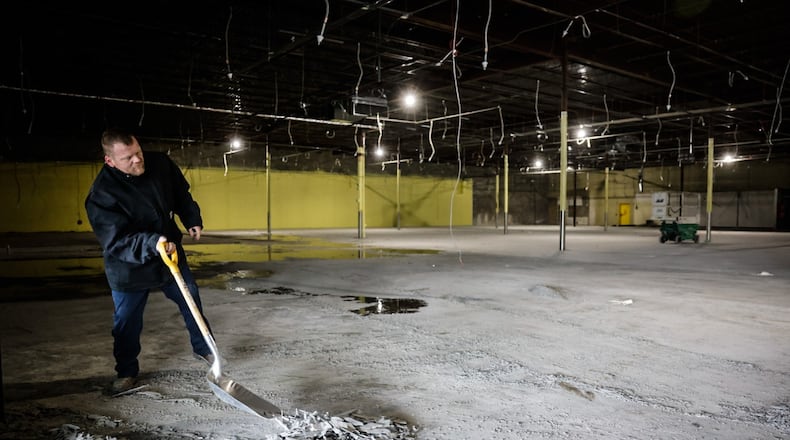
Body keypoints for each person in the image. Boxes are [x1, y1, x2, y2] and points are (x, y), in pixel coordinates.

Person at [85, 128, 214, 394]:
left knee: (191, 299)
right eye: (127, 158)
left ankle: (206, 350)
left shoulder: (160, 163)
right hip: (128, 265)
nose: (137, 160)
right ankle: (126, 371)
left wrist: (191, 218)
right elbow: (116, 241)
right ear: (110, 161)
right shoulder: (102, 194)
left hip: (168, 252)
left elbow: (180, 193)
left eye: (138, 153)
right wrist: (150, 242)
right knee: (127, 321)